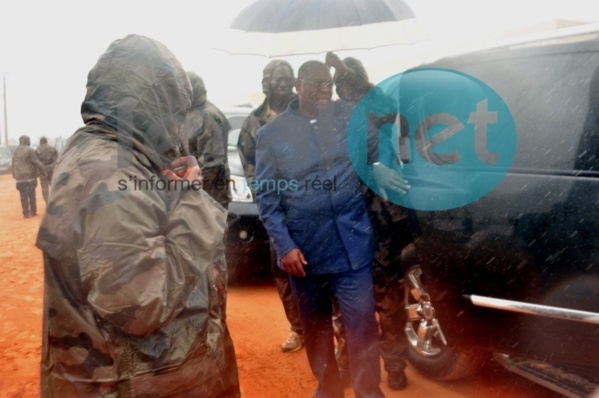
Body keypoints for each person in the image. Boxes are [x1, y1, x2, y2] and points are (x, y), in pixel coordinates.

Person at [35, 34, 240, 397]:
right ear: (150, 100)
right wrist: (191, 202)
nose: (180, 122)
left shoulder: (116, 157)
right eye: (175, 107)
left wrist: (170, 194)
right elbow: (142, 304)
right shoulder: (108, 173)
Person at [255, 60, 408, 398]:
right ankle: (329, 388)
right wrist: (284, 245)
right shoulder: (270, 134)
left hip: (353, 245)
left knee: (362, 325)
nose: (324, 90)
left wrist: (380, 166)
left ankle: (369, 391)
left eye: (328, 83)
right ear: (298, 85)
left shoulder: (351, 114)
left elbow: (377, 142)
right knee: (316, 328)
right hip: (303, 253)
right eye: (315, 84)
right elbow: (266, 197)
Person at [326, 51, 413, 391]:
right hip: (361, 223)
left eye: (342, 84)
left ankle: (374, 366)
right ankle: (375, 367)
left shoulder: (370, 112)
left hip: (368, 222)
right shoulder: (355, 113)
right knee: (371, 299)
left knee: (369, 299)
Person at [237, 59, 304, 353]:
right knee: (282, 270)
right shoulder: (254, 122)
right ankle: (298, 328)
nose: (282, 83)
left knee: (322, 266)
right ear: (265, 83)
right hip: (277, 209)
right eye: (276, 79)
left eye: (287, 78)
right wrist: (261, 191)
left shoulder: (308, 113)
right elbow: (249, 162)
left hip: (310, 204)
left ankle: (327, 327)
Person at [184, 71, 232, 208]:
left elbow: (212, 164)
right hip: (199, 194)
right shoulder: (193, 111)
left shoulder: (208, 116)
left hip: (210, 195)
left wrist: (191, 189)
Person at [11, 135, 44, 218]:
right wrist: (43, 169)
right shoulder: (30, 150)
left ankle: (26, 213)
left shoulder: (15, 151)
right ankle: (33, 211)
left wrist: (15, 174)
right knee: (31, 194)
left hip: (20, 178)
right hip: (30, 176)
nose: (30, 142)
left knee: (23, 196)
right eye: (29, 140)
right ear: (26, 141)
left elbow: (13, 163)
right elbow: (36, 161)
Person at [36, 136, 59, 203]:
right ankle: (56, 201)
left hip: (42, 172)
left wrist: (42, 169)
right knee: (54, 186)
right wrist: (51, 167)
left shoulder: (37, 150)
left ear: (40, 142)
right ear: (46, 141)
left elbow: (36, 161)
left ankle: (47, 203)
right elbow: (58, 159)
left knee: (45, 189)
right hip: (52, 171)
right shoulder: (53, 149)